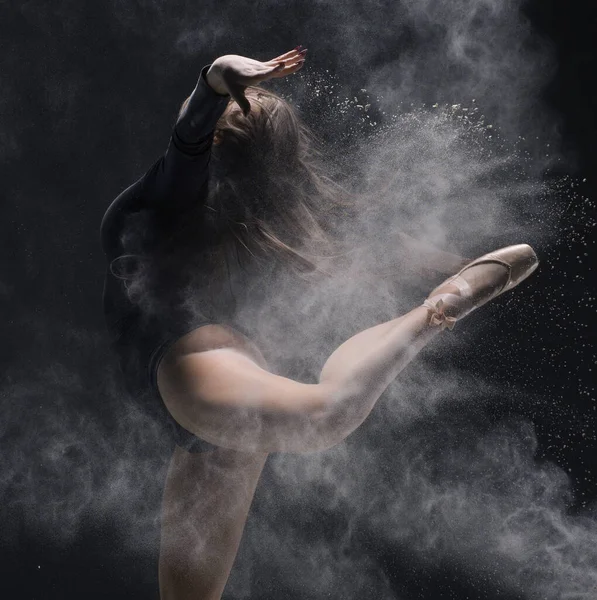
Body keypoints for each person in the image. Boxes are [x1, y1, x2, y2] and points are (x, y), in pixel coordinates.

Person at [100, 46, 538, 600]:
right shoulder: (239, 202)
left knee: (324, 415)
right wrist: (451, 261)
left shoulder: (172, 191)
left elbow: (187, 145)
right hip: (207, 385)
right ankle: (440, 299)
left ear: (214, 138)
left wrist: (212, 85)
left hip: (191, 361)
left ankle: (436, 311)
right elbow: (365, 244)